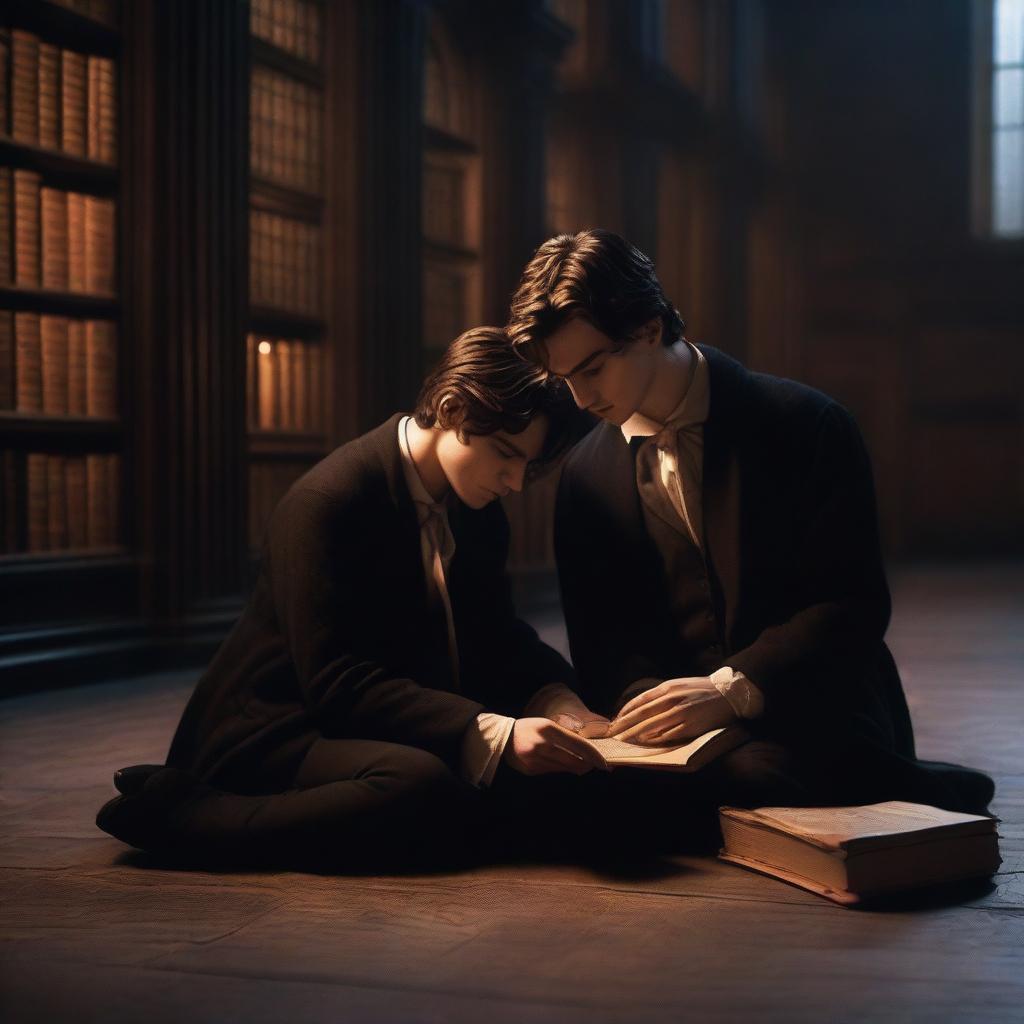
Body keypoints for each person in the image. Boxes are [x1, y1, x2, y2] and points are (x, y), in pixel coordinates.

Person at [505, 229, 995, 817]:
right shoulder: (584, 475)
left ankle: (918, 785)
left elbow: (851, 604)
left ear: (650, 329)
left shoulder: (807, 424)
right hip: (684, 737)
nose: (580, 401)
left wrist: (729, 692)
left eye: (592, 370)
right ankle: (906, 785)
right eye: (565, 380)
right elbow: (604, 641)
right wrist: (648, 712)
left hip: (813, 698)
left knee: (759, 772)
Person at [96, 327, 611, 871]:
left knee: (546, 785)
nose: (515, 481)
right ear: (451, 407)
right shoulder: (328, 500)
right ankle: (191, 818)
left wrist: (557, 698)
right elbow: (335, 682)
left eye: (529, 467)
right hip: (277, 729)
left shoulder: (477, 508)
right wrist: (495, 733)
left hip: (375, 725)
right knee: (421, 786)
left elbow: (496, 634)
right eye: (506, 455)